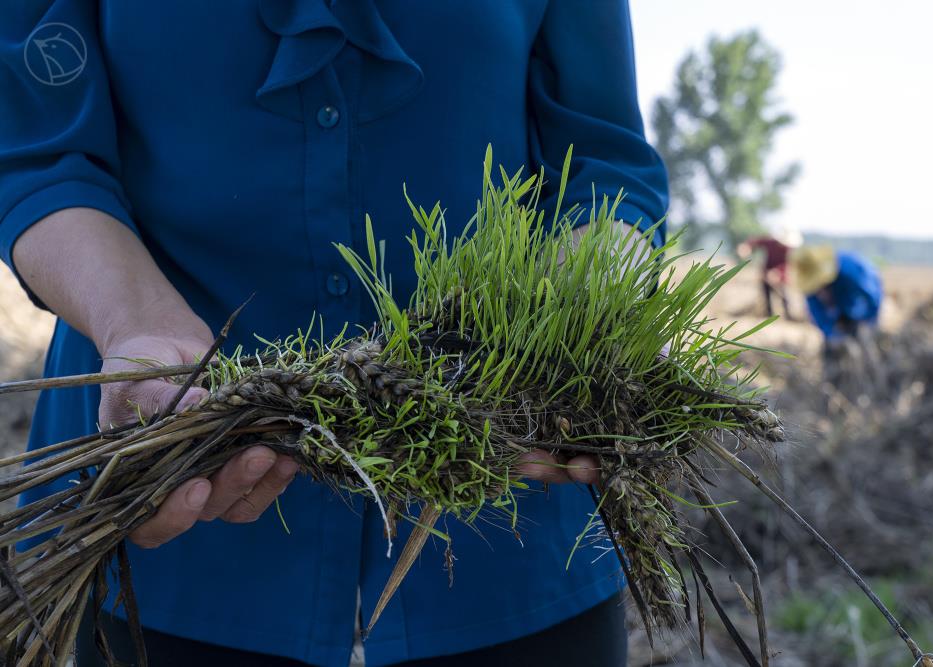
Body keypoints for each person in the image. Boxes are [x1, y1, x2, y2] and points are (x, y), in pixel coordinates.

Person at [0, 3, 668, 666]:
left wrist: (585, 305)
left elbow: (604, 167)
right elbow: (39, 154)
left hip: (510, 516)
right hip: (173, 505)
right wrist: (135, 321)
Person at [793, 245, 884, 393]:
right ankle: (831, 388)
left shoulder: (851, 270)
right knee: (831, 351)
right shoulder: (809, 281)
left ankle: (872, 385)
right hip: (837, 314)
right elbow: (817, 313)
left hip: (856, 309)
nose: (820, 292)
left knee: (863, 346)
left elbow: (872, 298)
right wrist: (831, 334)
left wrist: (869, 322)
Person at [737, 224, 803, 319]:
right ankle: (769, 315)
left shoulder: (788, 249)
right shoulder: (770, 242)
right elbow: (754, 241)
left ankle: (788, 315)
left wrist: (778, 273)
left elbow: (786, 264)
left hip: (781, 275)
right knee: (766, 294)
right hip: (766, 272)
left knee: (784, 295)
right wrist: (746, 247)